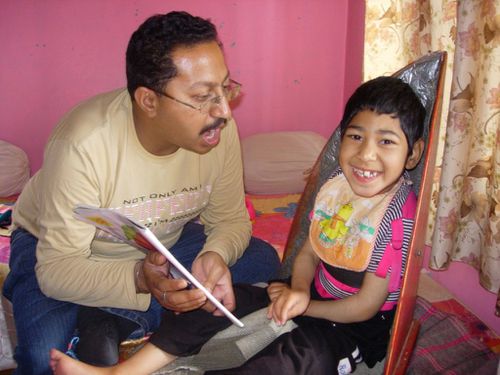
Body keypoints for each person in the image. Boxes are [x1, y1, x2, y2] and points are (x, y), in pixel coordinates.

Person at [49, 75, 426, 375]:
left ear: (414, 153)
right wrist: (295, 288)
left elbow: (364, 306)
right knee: (214, 303)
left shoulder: (394, 219)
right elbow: (311, 249)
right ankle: (123, 372)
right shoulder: (335, 188)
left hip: (350, 324)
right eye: (355, 137)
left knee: (296, 361)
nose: (366, 155)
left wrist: (303, 307)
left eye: (387, 141)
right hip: (306, 296)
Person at [2, 11, 281, 375]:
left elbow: (229, 219)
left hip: (162, 246)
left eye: (225, 88)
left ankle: (112, 317)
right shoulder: (83, 144)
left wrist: (215, 254)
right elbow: (57, 270)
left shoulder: (218, 132)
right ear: (149, 101)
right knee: (43, 360)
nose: (224, 111)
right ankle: (124, 311)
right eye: (202, 97)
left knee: (264, 262)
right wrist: (138, 279)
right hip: (61, 252)